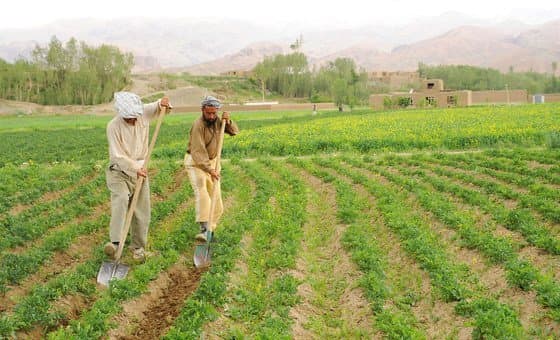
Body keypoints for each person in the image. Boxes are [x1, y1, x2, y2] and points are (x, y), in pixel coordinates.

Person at [104, 92, 171, 261]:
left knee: (142, 209)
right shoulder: (113, 126)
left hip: (141, 170)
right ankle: (115, 243)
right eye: (129, 118)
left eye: (135, 117)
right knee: (120, 200)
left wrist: (163, 103)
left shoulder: (142, 113)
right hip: (119, 172)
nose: (134, 120)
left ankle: (138, 248)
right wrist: (135, 168)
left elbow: (159, 106)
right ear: (121, 114)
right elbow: (117, 156)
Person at [185, 95, 239, 242]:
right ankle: (203, 228)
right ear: (202, 110)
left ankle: (209, 230)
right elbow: (198, 152)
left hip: (213, 164)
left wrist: (228, 121)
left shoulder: (218, 121)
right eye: (208, 113)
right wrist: (210, 170)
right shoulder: (198, 125)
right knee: (202, 191)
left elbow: (234, 131)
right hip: (197, 164)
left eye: (213, 113)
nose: (211, 116)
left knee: (217, 201)